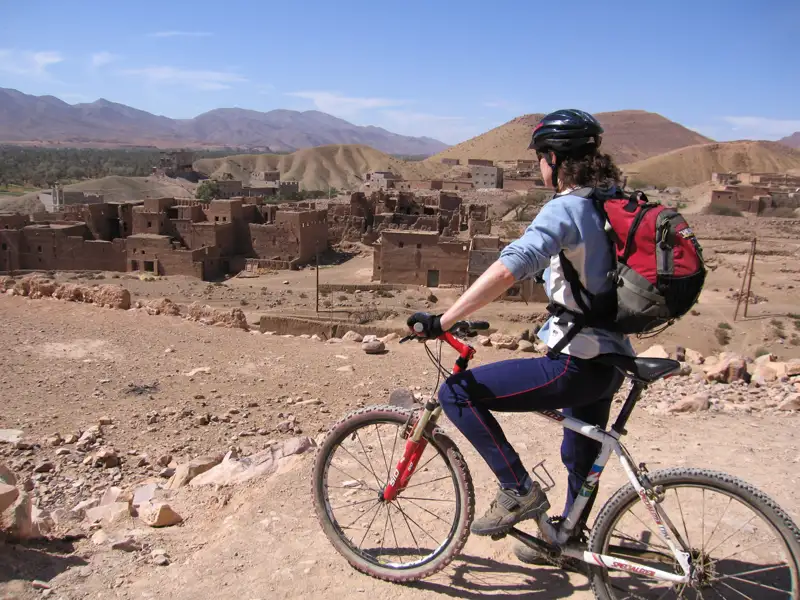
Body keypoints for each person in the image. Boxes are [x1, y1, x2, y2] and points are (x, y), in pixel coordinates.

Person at [407, 109, 633, 563]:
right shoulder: (613, 202)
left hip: (577, 360)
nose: (539, 167)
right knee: (580, 447)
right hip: (613, 360)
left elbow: (514, 264)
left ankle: (517, 489)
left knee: (456, 394)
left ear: (554, 157)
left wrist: (446, 319)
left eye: (541, 159)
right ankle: (568, 538)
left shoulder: (567, 207)